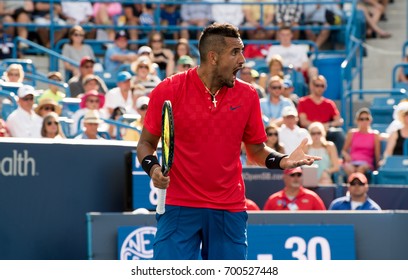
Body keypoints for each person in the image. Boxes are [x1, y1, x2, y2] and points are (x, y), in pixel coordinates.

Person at [136, 23, 320, 260]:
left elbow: (255, 150)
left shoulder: (249, 95)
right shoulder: (168, 89)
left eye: (242, 51)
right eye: (235, 52)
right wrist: (152, 169)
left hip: (229, 208)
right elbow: (145, 143)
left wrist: (282, 160)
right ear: (213, 57)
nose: (242, 60)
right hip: (178, 206)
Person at [297, 75, 345, 155]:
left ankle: (337, 159)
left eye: (322, 86)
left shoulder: (329, 103)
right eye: (317, 85)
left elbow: (339, 120)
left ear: (325, 87)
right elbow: (303, 121)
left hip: (325, 131)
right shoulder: (303, 101)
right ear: (312, 86)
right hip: (309, 131)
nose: (320, 88)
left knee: (338, 133)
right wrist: (317, 127)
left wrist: (327, 125)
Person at [341, 107, 381, 177]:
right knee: (350, 169)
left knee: (360, 170)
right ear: (357, 121)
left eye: (367, 119)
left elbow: (377, 154)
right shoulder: (352, 133)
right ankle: (352, 187)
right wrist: (346, 155)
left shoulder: (375, 134)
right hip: (352, 162)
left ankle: (357, 186)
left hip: (366, 163)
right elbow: (343, 150)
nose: (364, 121)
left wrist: (377, 167)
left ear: (370, 120)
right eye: (361, 119)